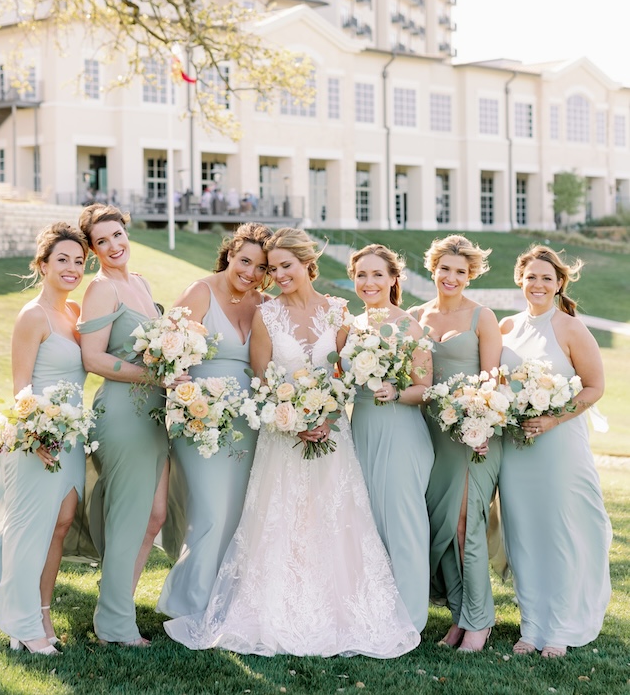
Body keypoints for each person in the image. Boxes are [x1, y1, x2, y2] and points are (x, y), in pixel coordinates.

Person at [164, 228, 420, 657]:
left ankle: (338, 613)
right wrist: (291, 419)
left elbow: (348, 375)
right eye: (273, 267)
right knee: (283, 521)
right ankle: (273, 610)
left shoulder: (339, 312)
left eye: (286, 266)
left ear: (308, 266)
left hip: (331, 436)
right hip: (281, 438)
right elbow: (261, 381)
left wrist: (327, 416)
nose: (278, 275)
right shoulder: (268, 315)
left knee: (331, 518)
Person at [0, 222, 89, 654]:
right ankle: (20, 624)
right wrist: (36, 432)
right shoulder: (32, 316)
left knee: (59, 527)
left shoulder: (75, 314)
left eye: (79, 261)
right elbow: (21, 387)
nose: (72, 267)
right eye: (63, 260)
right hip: (37, 440)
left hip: (72, 438)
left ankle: (40, 612)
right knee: (29, 531)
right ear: (42, 265)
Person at [498, 245, 612, 658]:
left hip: (559, 444)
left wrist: (552, 419)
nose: (538, 284)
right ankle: (531, 627)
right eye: (531, 277)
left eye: (547, 278)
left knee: (560, 533)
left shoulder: (570, 328)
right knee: (523, 534)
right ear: (519, 279)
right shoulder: (506, 327)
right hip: (516, 448)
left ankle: (561, 626)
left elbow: (595, 386)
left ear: (560, 283)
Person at [158, 223, 273, 619]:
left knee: (240, 512)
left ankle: (227, 603)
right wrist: (181, 389)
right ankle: (190, 604)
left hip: (248, 422)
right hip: (200, 418)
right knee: (209, 510)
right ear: (230, 255)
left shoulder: (264, 303)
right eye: (245, 261)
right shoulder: (200, 292)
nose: (250, 273)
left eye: (261, 267)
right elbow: (167, 352)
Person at [77, 203, 168, 647]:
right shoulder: (100, 289)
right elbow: (93, 358)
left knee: (154, 516)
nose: (114, 246)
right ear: (93, 250)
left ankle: (118, 605)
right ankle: (113, 626)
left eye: (118, 235)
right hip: (122, 411)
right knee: (130, 518)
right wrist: (156, 374)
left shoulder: (141, 283)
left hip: (154, 412)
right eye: (102, 241)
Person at [409, 234, 502, 652]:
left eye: (460, 271)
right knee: (442, 524)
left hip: (471, 436)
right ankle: (460, 617)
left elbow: (492, 382)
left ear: (471, 275)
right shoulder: (415, 315)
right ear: (433, 269)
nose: (451, 277)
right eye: (444, 269)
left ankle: (480, 621)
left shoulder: (482, 317)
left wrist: (480, 428)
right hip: (428, 433)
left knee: (467, 525)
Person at [346, 244, 434, 632]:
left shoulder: (409, 325)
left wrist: (396, 392)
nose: (369, 282)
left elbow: (425, 387)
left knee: (402, 524)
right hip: (361, 426)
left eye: (377, 274)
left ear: (394, 279)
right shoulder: (350, 325)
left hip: (400, 431)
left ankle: (410, 618)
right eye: (362, 274)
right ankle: (374, 612)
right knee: (366, 523)